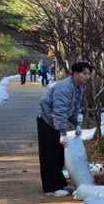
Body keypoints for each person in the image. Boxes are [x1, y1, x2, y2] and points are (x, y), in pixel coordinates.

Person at [37, 61, 94, 195]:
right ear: (75, 73)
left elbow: (74, 108)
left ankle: (60, 183)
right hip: (47, 120)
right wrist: (62, 133)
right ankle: (50, 188)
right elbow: (59, 111)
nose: (87, 76)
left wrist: (77, 124)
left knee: (58, 155)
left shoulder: (79, 87)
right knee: (49, 154)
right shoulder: (65, 88)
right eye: (84, 73)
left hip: (56, 121)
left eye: (89, 74)